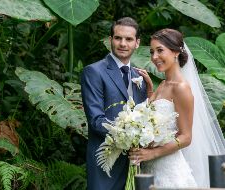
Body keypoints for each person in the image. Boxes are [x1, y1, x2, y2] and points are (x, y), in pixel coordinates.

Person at [129, 28, 225, 188]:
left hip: (169, 170)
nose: (154, 57)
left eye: (160, 50)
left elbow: (186, 137)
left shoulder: (181, 88)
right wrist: (150, 92)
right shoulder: (164, 84)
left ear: (176, 52)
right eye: (152, 52)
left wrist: (152, 153)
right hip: (150, 166)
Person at [81, 17, 153, 190]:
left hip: (135, 162)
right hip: (105, 160)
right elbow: (96, 120)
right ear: (110, 40)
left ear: (137, 43)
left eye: (128, 39)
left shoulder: (140, 76)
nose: (123, 43)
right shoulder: (94, 71)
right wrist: (129, 134)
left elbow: (145, 116)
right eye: (118, 38)